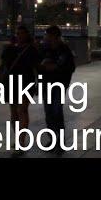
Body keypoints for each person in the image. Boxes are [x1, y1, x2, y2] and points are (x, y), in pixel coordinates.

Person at [0, 25, 41, 156]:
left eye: (22, 33)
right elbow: (4, 63)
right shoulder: (10, 49)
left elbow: (36, 67)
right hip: (11, 83)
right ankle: (18, 139)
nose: (19, 35)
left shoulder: (32, 49)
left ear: (27, 35)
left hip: (26, 83)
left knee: (22, 110)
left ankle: (21, 142)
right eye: (18, 33)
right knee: (14, 113)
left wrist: (38, 83)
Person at [39, 25, 76, 154]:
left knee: (56, 112)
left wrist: (55, 68)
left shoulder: (64, 49)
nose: (45, 37)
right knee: (48, 113)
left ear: (54, 36)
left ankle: (59, 142)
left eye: (47, 35)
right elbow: (40, 65)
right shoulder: (45, 48)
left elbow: (70, 67)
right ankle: (52, 139)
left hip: (58, 85)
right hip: (46, 85)